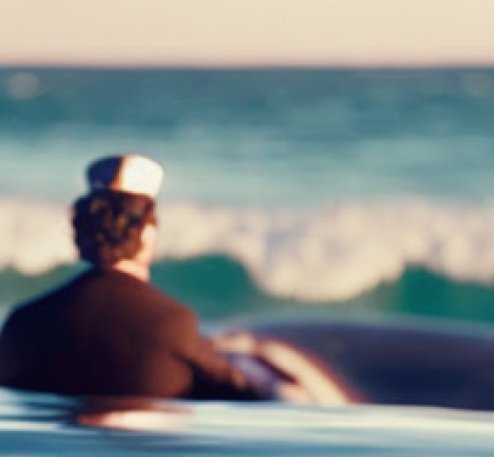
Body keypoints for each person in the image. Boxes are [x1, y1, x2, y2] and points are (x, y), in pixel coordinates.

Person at [0, 154, 349, 405]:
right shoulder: (171, 322)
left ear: (83, 234)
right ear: (148, 233)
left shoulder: (23, 322)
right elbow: (253, 391)